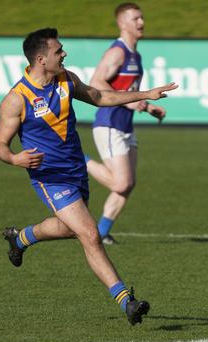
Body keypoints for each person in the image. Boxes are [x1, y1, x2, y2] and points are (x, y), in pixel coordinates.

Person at [0, 27, 176, 325]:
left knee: (69, 229)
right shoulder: (16, 99)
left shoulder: (66, 79)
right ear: (41, 59)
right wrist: (15, 157)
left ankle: (21, 238)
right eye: (58, 51)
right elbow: (0, 146)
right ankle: (126, 302)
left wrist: (146, 94)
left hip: (76, 168)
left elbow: (99, 96)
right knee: (90, 234)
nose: (64, 53)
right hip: (49, 176)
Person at [86, 3, 167, 245]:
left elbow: (127, 90)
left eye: (142, 18)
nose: (141, 22)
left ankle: (101, 232)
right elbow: (95, 82)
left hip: (125, 126)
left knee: (127, 185)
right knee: (121, 182)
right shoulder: (117, 52)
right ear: (122, 23)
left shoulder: (136, 55)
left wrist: (146, 105)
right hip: (109, 123)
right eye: (135, 18)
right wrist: (130, 103)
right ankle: (79, 159)